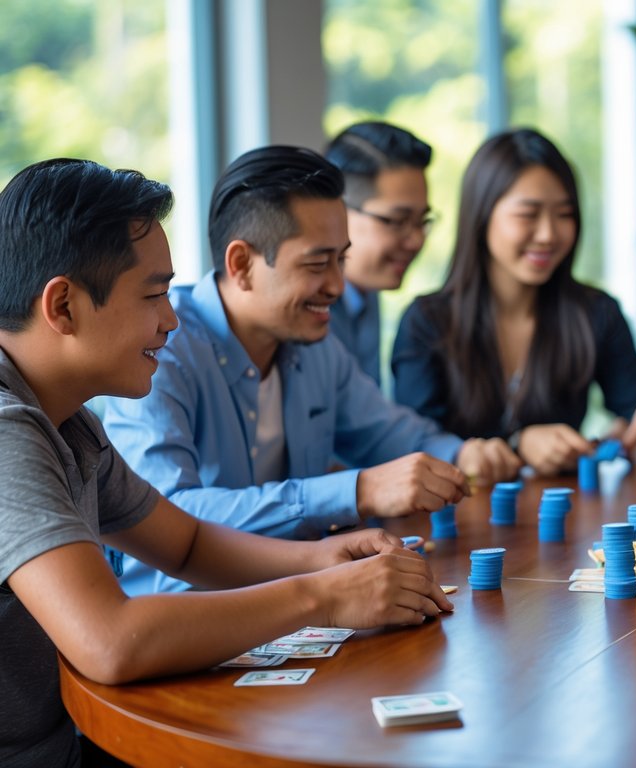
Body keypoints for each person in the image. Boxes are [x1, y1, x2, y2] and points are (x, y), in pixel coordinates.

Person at [0, 158, 451, 768]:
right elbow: (108, 642)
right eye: (153, 295)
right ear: (63, 306)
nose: (171, 319)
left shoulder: (70, 421)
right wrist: (323, 595)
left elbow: (186, 544)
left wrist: (326, 558)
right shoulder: (8, 430)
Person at [102, 145, 519, 596]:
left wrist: (463, 455)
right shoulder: (162, 348)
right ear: (241, 265)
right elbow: (166, 518)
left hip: (295, 602)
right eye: (318, 264)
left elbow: (392, 434)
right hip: (185, 614)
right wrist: (355, 491)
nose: (337, 286)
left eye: (341, 260)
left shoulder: (314, 346)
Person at [392, 128, 636, 476]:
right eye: (528, 215)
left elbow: (635, 409)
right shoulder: (427, 322)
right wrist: (519, 444)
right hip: (458, 509)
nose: (548, 234)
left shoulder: (596, 313)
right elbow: (415, 450)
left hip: (567, 509)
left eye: (564, 214)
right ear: (482, 216)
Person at [325, 121, 434, 387]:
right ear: (336, 212)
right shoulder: (306, 311)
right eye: (397, 221)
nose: (416, 240)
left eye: (422, 221)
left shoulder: (365, 292)